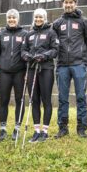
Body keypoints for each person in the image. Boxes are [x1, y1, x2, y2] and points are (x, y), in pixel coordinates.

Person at [53, 0, 87, 138]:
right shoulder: (57, 23)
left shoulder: (84, 21)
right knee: (62, 98)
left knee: (81, 97)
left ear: (76, 4)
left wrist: (81, 57)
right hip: (62, 65)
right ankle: (63, 128)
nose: (68, 5)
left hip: (78, 64)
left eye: (71, 2)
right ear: (62, 4)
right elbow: (54, 43)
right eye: (66, 2)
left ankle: (81, 127)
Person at [0, 9, 28, 141]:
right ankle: (3, 129)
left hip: (19, 73)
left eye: (14, 17)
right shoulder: (0, 35)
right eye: (9, 17)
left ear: (18, 19)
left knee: (19, 101)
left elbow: (27, 53)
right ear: (7, 19)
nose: (11, 20)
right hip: (4, 73)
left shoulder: (24, 34)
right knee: (4, 101)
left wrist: (27, 72)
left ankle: (17, 128)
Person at [21, 8, 59, 142]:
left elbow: (55, 50)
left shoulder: (51, 32)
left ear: (45, 18)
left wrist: (44, 56)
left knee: (45, 99)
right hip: (31, 69)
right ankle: (36, 131)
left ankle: (45, 131)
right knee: (34, 100)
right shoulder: (29, 34)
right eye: (36, 17)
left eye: (41, 17)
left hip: (46, 69)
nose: (38, 19)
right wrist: (26, 56)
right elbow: (23, 50)